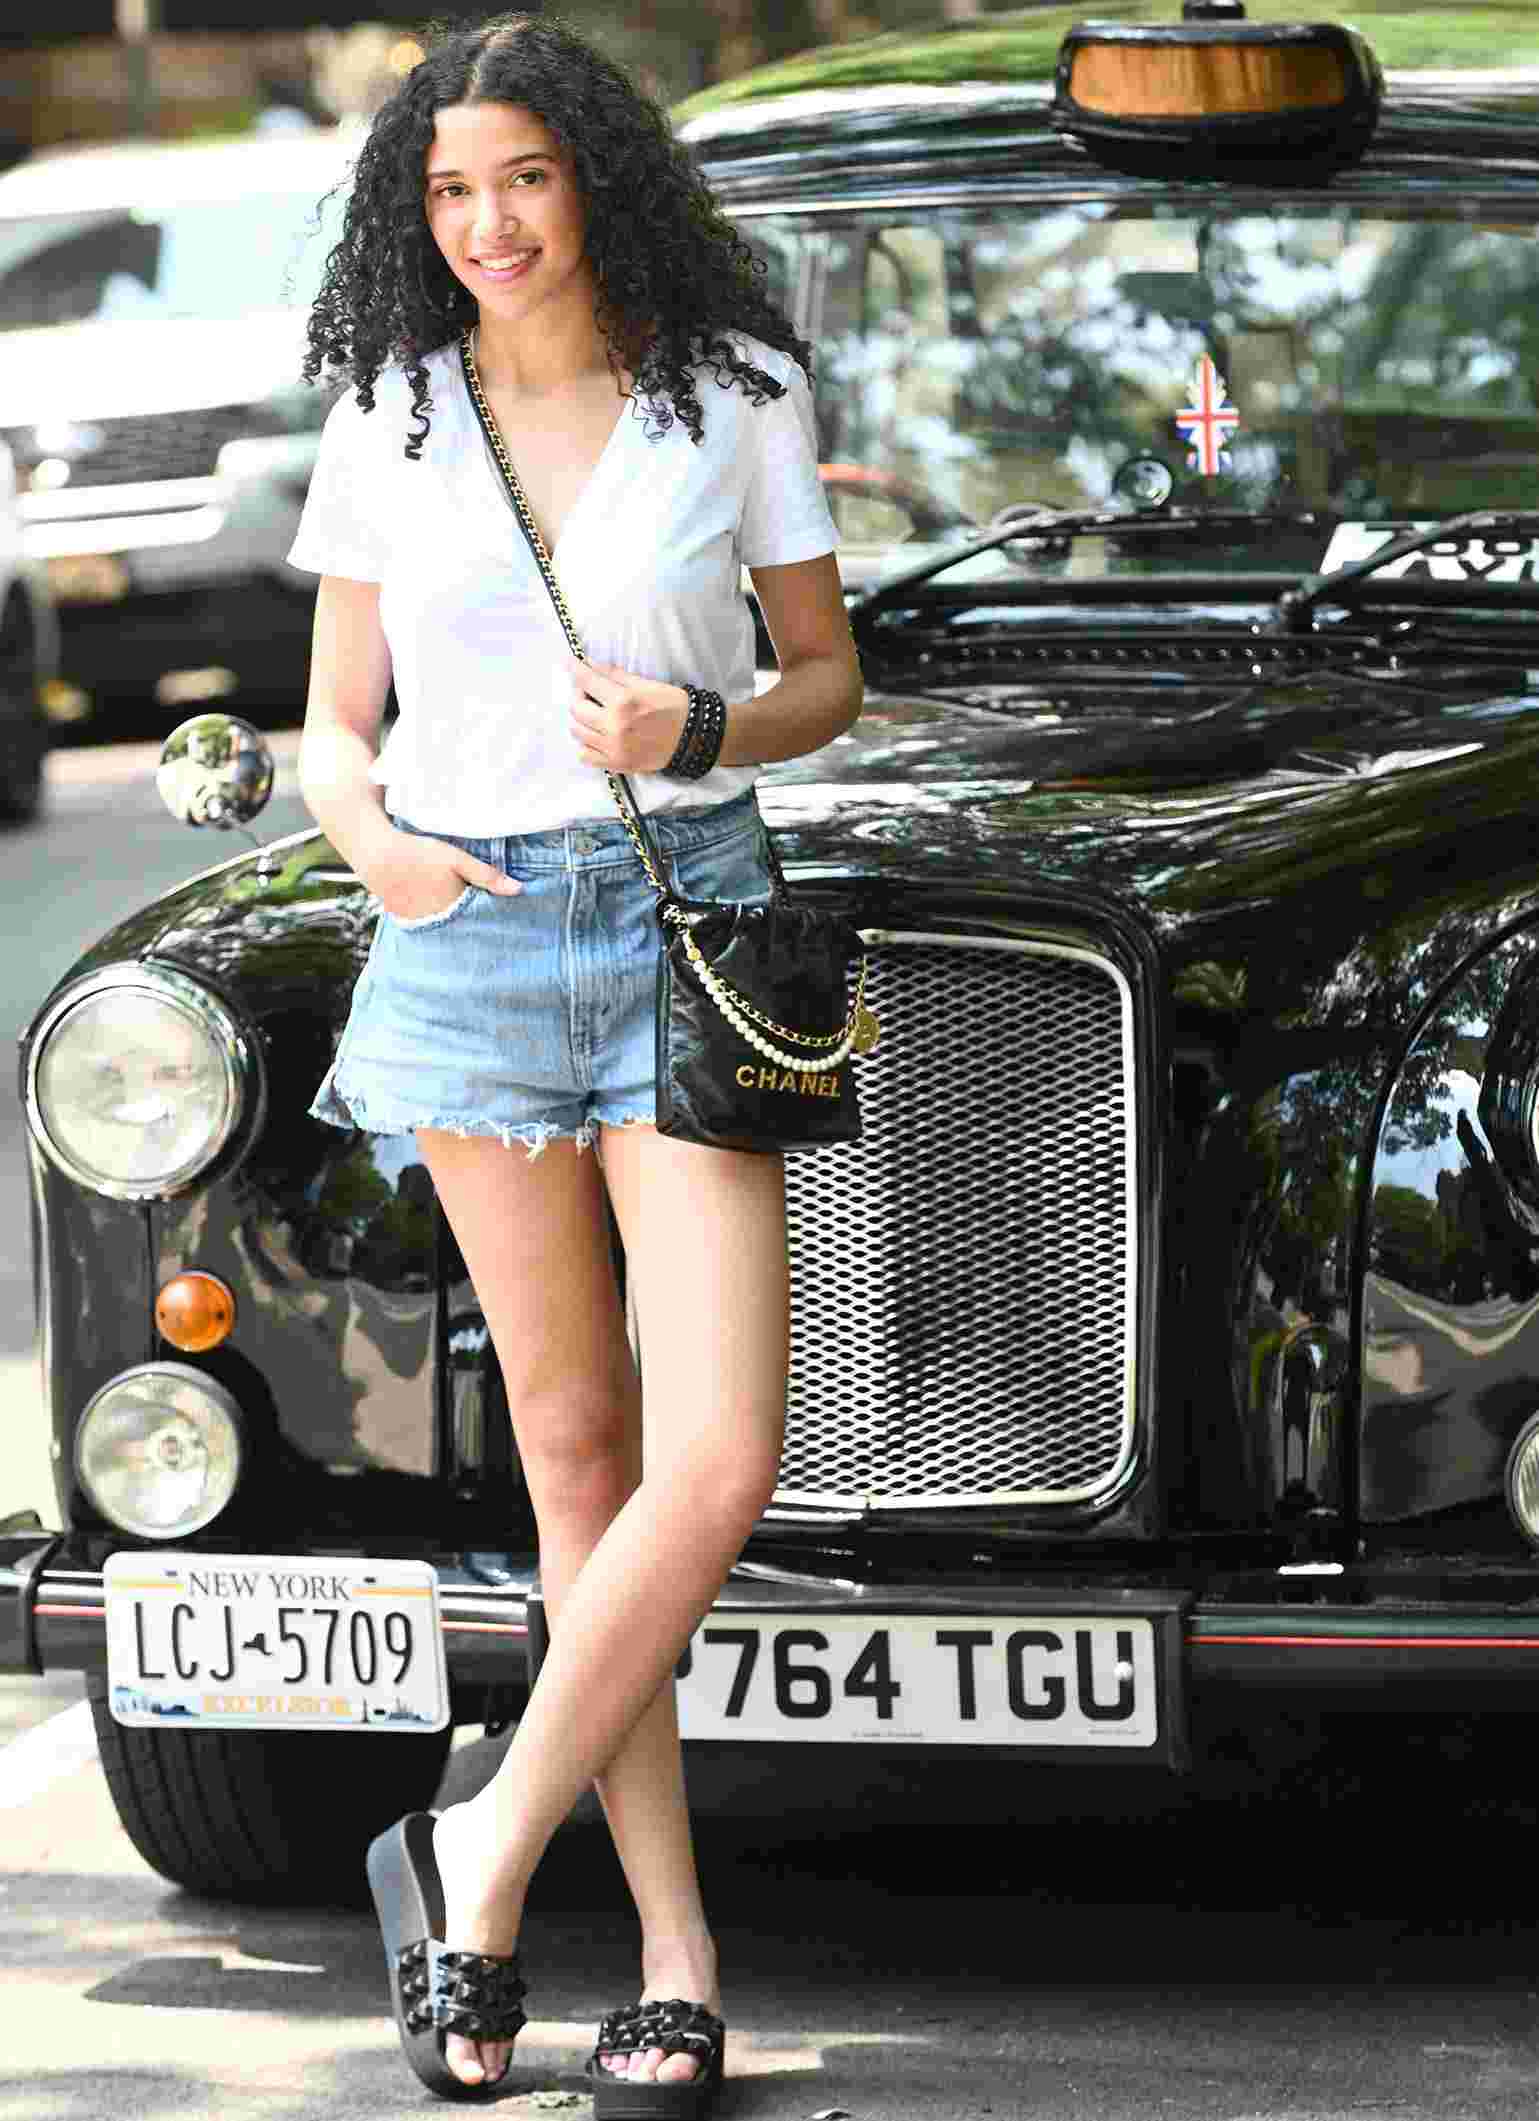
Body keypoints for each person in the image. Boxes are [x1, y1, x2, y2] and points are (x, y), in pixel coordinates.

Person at [288, 9, 861, 2112]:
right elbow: (330, 722)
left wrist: (698, 728)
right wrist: (374, 844)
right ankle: (664, 1950)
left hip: (681, 916)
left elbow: (825, 676)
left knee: (716, 1464)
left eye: (519, 175)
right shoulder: (393, 408)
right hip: (468, 938)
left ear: (593, 177)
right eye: (446, 189)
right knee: (576, 1464)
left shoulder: (734, 394)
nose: (486, 222)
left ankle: (470, 1846)